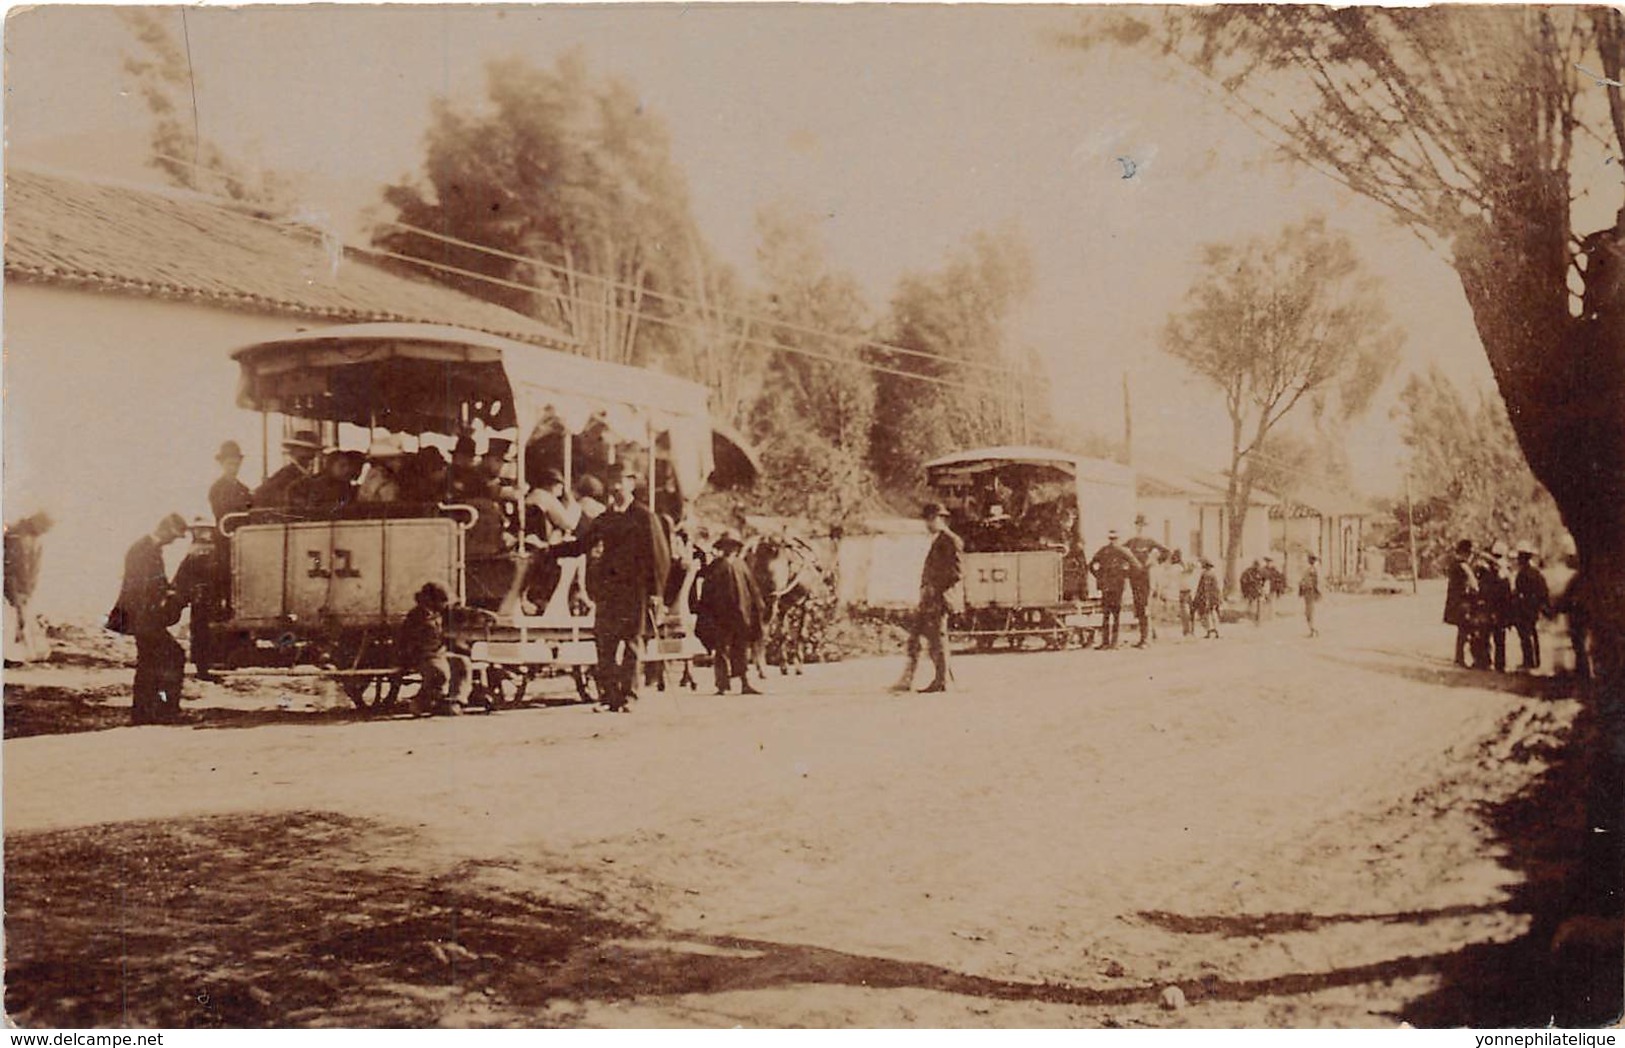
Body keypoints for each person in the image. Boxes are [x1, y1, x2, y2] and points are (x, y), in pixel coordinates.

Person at [548, 465, 671, 711]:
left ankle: (629, 696)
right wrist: (549, 550)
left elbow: (660, 558)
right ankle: (609, 696)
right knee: (605, 643)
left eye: (620, 482)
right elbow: (582, 544)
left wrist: (656, 592)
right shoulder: (605, 518)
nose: (615, 487)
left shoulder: (645, 516)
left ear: (631, 484)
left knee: (632, 644)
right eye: (612, 482)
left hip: (636, 590)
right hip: (609, 589)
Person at [109, 513, 190, 724]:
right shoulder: (144, 550)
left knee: (150, 663)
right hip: (144, 617)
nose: (173, 541)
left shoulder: (146, 548)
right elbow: (145, 588)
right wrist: (166, 598)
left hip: (143, 618)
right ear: (166, 530)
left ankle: (146, 713)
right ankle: (164, 711)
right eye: (174, 536)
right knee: (173, 656)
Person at [892, 502, 963, 694]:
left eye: (930, 519)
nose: (927, 524)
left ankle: (942, 682)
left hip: (939, 598)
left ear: (940, 519)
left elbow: (956, 573)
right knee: (922, 637)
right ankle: (921, 679)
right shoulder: (940, 539)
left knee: (937, 640)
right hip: (930, 599)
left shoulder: (950, 540)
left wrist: (935, 588)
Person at [695, 531, 766, 695]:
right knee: (721, 650)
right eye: (726, 546)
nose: (730, 549)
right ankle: (722, 685)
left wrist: (757, 607)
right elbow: (707, 590)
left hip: (741, 614)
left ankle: (744, 682)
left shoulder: (741, 565)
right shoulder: (716, 566)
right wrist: (706, 611)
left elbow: (752, 589)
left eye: (732, 545)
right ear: (722, 548)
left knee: (740, 648)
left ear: (736, 548)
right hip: (721, 616)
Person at [396, 582, 471, 716]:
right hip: (420, 655)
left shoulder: (438, 613)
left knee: (462, 662)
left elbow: (459, 612)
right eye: (442, 601)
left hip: (437, 654)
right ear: (431, 600)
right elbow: (407, 640)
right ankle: (421, 702)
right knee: (440, 672)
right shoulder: (416, 615)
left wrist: (481, 614)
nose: (445, 604)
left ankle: (455, 700)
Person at [172, 518, 228, 681]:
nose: (202, 533)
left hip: (208, 597)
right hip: (204, 598)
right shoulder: (204, 550)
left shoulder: (204, 550)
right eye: (198, 530)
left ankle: (205, 667)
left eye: (204, 529)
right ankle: (203, 668)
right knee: (202, 633)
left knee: (205, 633)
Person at [4, 511, 54, 662]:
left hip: (23, 589)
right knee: (15, 621)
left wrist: (27, 591)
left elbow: (31, 570)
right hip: (11, 590)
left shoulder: (33, 540)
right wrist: (15, 593)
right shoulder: (15, 537)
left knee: (23, 622)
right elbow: (11, 570)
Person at [1123, 514, 1168, 648]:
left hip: (1146, 577)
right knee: (1138, 606)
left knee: (1145, 606)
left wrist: (1154, 562)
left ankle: (1146, 639)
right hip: (1134, 577)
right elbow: (1120, 552)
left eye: (1143, 525)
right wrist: (1125, 568)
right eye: (1138, 525)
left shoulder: (1150, 541)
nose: (1140, 528)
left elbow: (1166, 552)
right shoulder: (1131, 542)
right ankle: (1147, 636)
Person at [1088, 529, 1137, 650]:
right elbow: (1135, 565)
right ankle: (1113, 642)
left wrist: (1098, 576)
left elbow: (1091, 565)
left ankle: (1105, 642)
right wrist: (1125, 574)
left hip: (1106, 586)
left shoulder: (1103, 550)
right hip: (1117, 586)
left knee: (1106, 614)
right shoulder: (1123, 551)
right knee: (1115, 615)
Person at [252, 430, 322, 508]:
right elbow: (260, 494)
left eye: (312, 451)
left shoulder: (311, 476)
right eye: (304, 450)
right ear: (293, 451)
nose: (310, 455)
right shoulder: (284, 475)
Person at [1510, 540, 1550, 671]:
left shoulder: (1523, 573)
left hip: (1524, 608)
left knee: (1525, 635)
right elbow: (1544, 590)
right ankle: (1535, 661)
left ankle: (1528, 661)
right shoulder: (1536, 572)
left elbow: (1519, 591)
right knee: (1532, 633)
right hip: (1533, 607)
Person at [289, 450, 364, 515]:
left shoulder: (346, 486)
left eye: (348, 466)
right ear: (330, 466)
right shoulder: (318, 484)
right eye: (342, 466)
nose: (347, 470)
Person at [1443, 539, 1479, 667]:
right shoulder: (1463, 566)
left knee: (1462, 632)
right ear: (1465, 552)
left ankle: (1460, 657)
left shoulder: (1454, 564)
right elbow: (1474, 586)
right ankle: (1462, 658)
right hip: (1463, 603)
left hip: (1456, 603)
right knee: (1467, 631)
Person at [208, 441, 252, 522]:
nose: (233, 469)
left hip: (243, 532)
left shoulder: (244, 489)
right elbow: (221, 514)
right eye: (230, 464)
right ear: (221, 463)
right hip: (226, 532)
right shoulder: (216, 489)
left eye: (236, 465)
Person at [357, 435, 408, 504]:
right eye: (395, 459)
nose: (400, 463)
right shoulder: (383, 480)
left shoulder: (371, 476)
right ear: (384, 460)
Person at [447, 435, 487, 501]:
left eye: (462, 457)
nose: (458, 460)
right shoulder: (447, 473)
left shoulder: (476, 476)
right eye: (457, 456)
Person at [1193, 558, 1223, 638]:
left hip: (1206, 597)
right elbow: (1217, 588)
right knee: (1214, 613)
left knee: (1206, 614)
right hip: (1214, 597)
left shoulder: (1205, 574)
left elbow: (1203, 588)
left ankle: (1209, 631)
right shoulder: (1213, 574)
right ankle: (1217, 630)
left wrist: (1201, 598)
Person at [1173, 549, 1197, 638]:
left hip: (1190, 590)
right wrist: (1191, 568)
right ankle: (1186, 631)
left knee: (1191, 611)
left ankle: (1191, 630)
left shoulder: (1183, 566)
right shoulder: (1176, 567)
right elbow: (1185, 572)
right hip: (1183, 591)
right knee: (1185, 612)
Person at [1300, 553, 1322, 638]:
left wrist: (1317, 592)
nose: (1308, 560)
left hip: (1311, 593)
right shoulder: (1308, 569)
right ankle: (1312, 629)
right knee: (1308, 612)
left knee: (1310, 612)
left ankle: (1313, 629)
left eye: (1310, 559)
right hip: (1307, 593)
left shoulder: (1313, 570)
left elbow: (1315, 582)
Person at [1240, 559, 1266, 625]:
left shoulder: (1261, 572)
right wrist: (1246, 590)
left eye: (1258, 566)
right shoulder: (1248, 572)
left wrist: (1262, 586)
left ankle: (1258, 618)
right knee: (1251, 603)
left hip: (1258, 591)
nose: (1257, 567)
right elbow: (1243, 580)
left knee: (1259, 604)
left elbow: (1264, 580)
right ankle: (1250, 617)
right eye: (1256, 565)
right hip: (1251, 591)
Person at [1263, 556, 1287, 621]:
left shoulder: (1274, 570)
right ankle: (1265, 616)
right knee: (1265, 602)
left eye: (1269, 562)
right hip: (1265, 588)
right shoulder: (1263, 569)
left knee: (1272, 602)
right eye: (1267, 562)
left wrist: (1278, 586)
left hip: (1272, 588)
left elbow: (1279, 577)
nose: (1268, 563)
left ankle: (1271, 617)